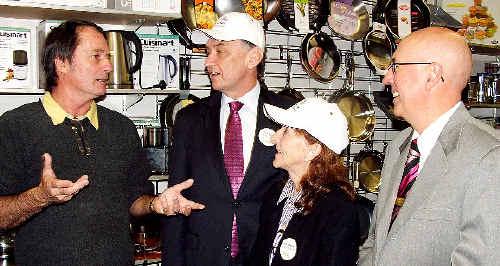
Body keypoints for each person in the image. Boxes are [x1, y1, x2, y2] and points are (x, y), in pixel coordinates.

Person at [0, 20, 204, 265]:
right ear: (61, 63)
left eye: (107, 56)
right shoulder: (15, 125)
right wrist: (40, 197)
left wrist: (156, 204)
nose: (108, 66)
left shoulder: (121, 128)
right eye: (96, 56)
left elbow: (134, 200)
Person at [161, 12, 296, 266]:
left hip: (266, 257)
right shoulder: (189, 120)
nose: (208, 62)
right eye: (207, 51)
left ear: (253, 57)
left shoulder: (288, 116)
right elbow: (176, 201)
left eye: (220, 51)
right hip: (202, 257)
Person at [358, 27, 500, 265]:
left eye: (396, 67)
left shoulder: (488, 157)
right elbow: (375, 243)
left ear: (432, 75)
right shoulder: (398, 146)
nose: (386, 78)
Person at [249, 98, 359, 266]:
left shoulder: (338, 210)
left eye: (286, 131)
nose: (274, 137)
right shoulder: (274, 193)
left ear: (312, 150)